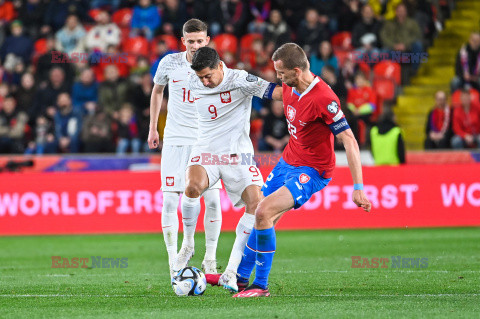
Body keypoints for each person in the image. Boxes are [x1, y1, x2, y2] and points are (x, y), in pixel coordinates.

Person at [230, 43, 371, 298]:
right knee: (262, 217)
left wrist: (358, 188)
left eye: (282, 74)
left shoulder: (324, 99)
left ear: (297, 70)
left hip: (312, 171)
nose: (279, 78)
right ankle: (238, 278)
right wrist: (236, 78)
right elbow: (267, 89)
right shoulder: (288, 86)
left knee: (263, 212)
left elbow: (349, 139)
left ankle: (260, 285)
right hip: (287, 162)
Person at [178, 46, 282, 292]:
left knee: (256, 205)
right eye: (200, 77)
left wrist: (306, 89)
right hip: (205, 149)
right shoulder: (193, 81)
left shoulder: (240, 79)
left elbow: (275, 92)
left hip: (238, 153)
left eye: (208, 76)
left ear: (219, 65)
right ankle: (189, 243)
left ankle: (231, 271)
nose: (204, 81)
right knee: (192, 187)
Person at [148, 19, 223, 277]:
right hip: (175, 139)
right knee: (170, 200)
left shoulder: (217, 66)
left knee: (212, 198)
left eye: (200, 41)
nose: (195, 45)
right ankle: (174, 264)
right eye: (190, 41)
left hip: (205, 140)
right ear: (183, 41)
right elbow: (157, 92)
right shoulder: (169, 63)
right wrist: (153, 128)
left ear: (207, 40)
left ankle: (210, 258)